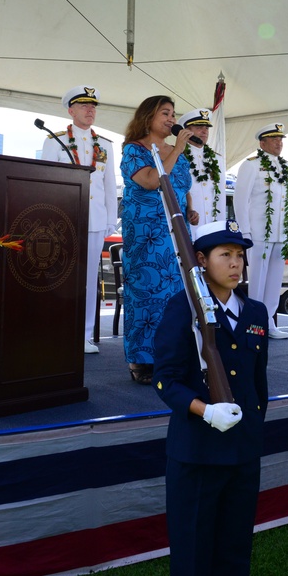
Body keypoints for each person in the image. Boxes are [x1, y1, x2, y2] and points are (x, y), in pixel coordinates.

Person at [153, 220, 267, 576]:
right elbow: (166, 380)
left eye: (240, 256)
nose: (236, 264)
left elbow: (257, 383)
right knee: (193, 554)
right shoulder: (181, 309)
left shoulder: (255, 312)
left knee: (235, 550)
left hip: (242, 451)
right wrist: (205, 409)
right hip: (198, 454)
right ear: (200, 260)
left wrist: (253, 428)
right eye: (225, 255)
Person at [120, 95, 199, 384]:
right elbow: (152, 180)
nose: (171, 119)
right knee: (147, 293)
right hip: (147, 234)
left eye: (173, 113)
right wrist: (177, 148)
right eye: (165, 113)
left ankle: (172, 355)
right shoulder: (134, 150)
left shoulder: (174, 150)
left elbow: (182, 184)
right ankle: (141, 360)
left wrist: (190, 208)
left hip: (176, 232)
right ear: (148, 117)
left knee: (177, 294)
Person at [41, 85, 118, 354]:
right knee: (60, 277)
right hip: (62, 221)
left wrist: (111, 218)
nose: (90, 110)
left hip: (95, 220)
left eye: (93, 106)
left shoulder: (105, 145)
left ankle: (84, 335)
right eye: (84, 106)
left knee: (87, 278)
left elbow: (110, 185)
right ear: (71, 110)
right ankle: (56, 329)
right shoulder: (55, 141)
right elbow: (46, 182)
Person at [234, 123, 288, 339]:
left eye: (281, 139)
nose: (279, 143)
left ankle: (269, 323)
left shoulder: (286, 167)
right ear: (262, 143)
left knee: (274, 283)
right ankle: (253, 324)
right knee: (257, 283)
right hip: (259, 233)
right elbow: (240, 200)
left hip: (280, 234)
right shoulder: (251, 166)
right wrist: (245, 232)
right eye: (274, 139)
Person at [179, 108, 226, 234]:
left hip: (213, 224)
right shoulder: (178, 155)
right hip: (188, 224)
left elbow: (220, 195)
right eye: (199, 127)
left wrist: (220, 225)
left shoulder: (217, 159)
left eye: (207, 128)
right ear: (186, 131)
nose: (204, 131)